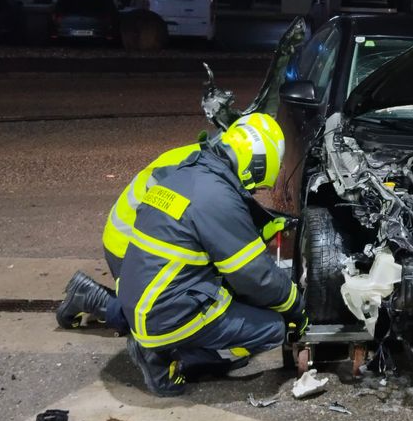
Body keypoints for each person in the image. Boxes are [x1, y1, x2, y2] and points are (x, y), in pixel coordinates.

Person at [119, 113, 306, 397]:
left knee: (239, 296)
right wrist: (295, 306)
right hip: (165, 313)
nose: (254, 190)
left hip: (141, 299)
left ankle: (161, 344)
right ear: (255, 166)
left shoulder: (188, 173)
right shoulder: (217, 196)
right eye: (258, 184)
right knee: (272, 328)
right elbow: (255, 275)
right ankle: (179, 358)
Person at [56, 121, 295, 334]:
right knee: (164, 318)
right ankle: (94, 299)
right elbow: (208, 225)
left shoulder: (206, 159)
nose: (253, 191)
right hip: (130, 244)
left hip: (135, 233)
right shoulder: (199, 174)